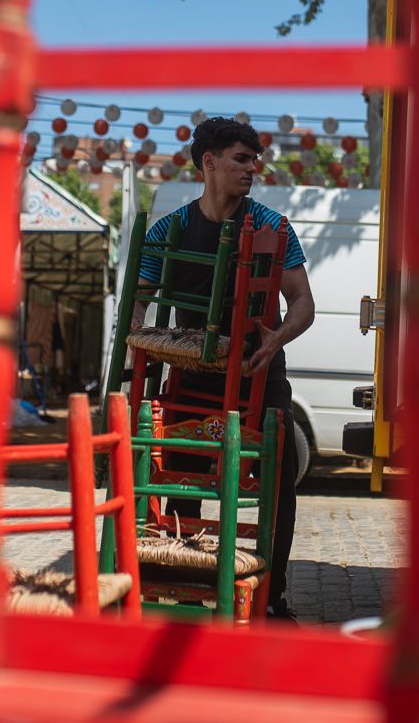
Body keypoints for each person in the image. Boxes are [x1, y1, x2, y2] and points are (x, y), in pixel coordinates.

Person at [134, 116, 315, 621]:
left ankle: (272, 594)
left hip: (262, 370)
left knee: (276, 485)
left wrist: (278, 338)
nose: (252, 169)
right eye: (241, 159)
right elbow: (140, 302)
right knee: (180, 481)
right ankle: (185, 579)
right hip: (193, 373)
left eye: (254, 159)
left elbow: (302, 301)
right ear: (209, 163)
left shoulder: (276, 227)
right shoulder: (170, 229)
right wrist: (138, 347)